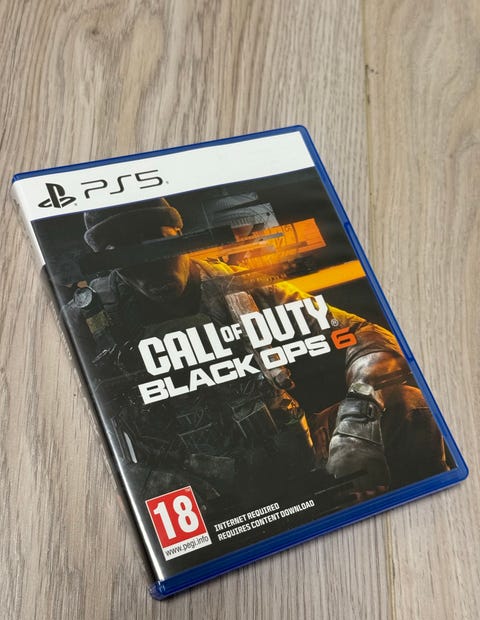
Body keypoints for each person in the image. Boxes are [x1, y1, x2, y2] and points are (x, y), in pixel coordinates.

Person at [63, 198, 448, 509]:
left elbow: (364, 333)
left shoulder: (240, 285)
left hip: (299, 449)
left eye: (157, 248)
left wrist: (357, 421)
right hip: (199, 486)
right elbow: (67, 425)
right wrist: (154, 484)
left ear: (179, 236)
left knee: (408, 405)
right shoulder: (89, 318)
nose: (149, 272)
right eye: (127, 259)